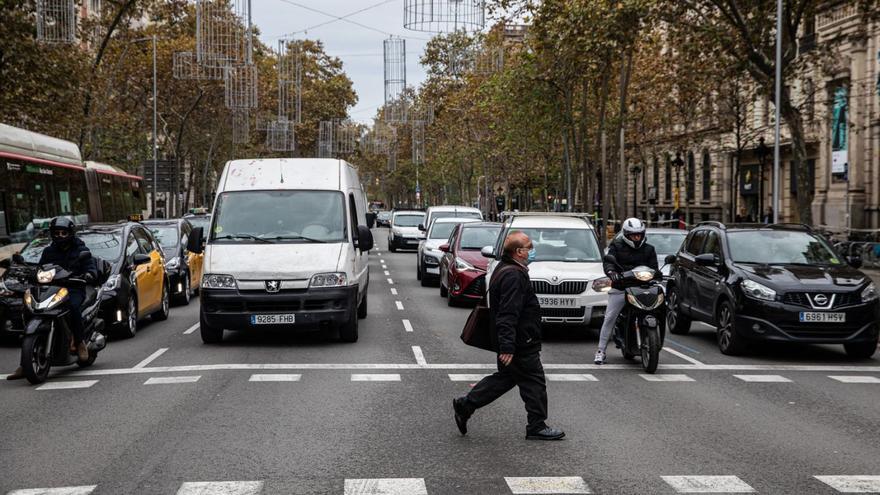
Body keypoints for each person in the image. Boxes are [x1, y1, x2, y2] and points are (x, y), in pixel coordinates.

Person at [452, 232, 565, 441]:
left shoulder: (505, 268)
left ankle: (466, 404)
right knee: (534, 381)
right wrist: (507, 346)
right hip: (521, 341)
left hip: (514, 339)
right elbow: (508, 313)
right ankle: (537, 426)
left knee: (506, 378)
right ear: (519, 252)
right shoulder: (514, 275)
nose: (532, 251)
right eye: (529, 248)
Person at [7, 217, 96, 380]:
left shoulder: (80, 249)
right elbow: (40, 268)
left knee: (73, 307)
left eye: (63, 233)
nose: (60, 236)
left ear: (70, 233)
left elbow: (90, 267)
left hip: (73, 288)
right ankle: (24, 364)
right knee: (30, 308)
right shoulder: (49, 251)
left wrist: (89, 274)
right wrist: (28, 272)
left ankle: (80, 342)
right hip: (51, 288)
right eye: (57, 233)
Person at [594, 218, 658, 365]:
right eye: (633, 235)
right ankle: (600, 351)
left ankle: (655, 340)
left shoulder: (649, 249)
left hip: (643, 288)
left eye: (639, 234)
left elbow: (654, 268)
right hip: (621, 287)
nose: (637, 237)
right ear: (626, 234)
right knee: (610, 317)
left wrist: (657, 274)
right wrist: (611, 272)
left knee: (659, 307)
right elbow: (608, 262)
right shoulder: (616, 246)